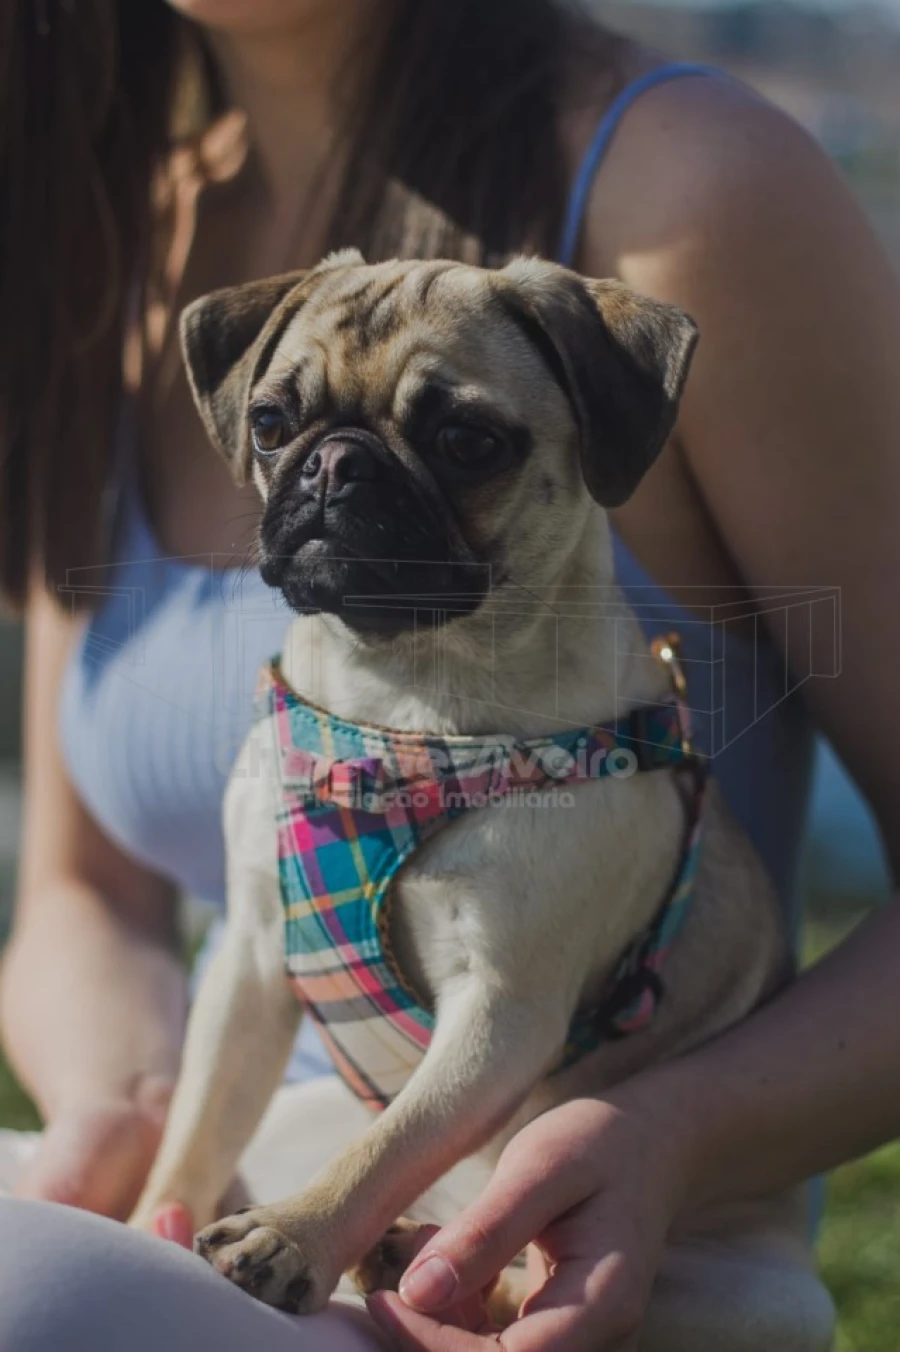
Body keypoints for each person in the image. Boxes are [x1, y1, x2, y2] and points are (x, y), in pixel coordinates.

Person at [0, 0, 898, 1347]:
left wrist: (665, 1133)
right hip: (265, 1178)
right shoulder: (119, 234)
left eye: (462, 448)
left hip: (599, 1249)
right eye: (288, 430)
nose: (338, 484)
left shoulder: (696, 191)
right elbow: (84, 894)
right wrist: (121, 1125)